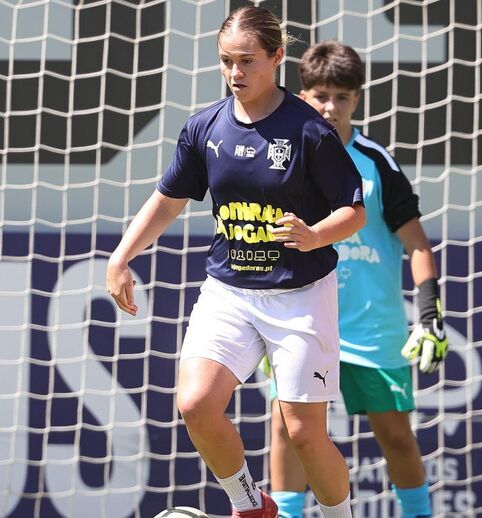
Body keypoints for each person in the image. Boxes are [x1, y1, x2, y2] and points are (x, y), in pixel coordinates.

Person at [105, 7, 364, 518]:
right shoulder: (204, 127)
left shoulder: (310, 130)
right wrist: (121, 256)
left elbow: (353, 212)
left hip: (300, 295)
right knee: (196, 404)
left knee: (303, 434)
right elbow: (168, 200)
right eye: (226, 61)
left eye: (247, 60)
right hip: (229, 291)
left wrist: (314, 235)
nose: (235, 72)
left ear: (277, 56)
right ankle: (252, 506)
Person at [265, 40, 446, 518]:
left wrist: (429, 315)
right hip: (302, 322)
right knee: (286, 429)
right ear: (302, 95)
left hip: (372, 330)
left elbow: (418, 245)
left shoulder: (377, 163)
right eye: (320, 96)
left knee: (396, 437)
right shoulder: (281, 159)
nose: (330, 107)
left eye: (341, 97)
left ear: (357, 99)